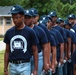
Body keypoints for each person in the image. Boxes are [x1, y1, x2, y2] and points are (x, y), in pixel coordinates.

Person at [4, 5, 38, 75]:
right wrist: (5, 69)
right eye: (13, 18)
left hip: (25, 65)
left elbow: (35, 51)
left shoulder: (30, 32)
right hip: (12, 65)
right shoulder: (9, 32)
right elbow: (7, 51)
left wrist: (35, 69)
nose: (15, 20)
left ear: (23, 17)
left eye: (17, 17)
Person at [24, 9, 50, 75]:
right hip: (25, 56)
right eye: (25, 18)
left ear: (32, 18)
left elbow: (45, 47)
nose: (27, 20)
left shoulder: (40, 30)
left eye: (29, 18)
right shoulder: (21, 30)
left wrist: (46, 62)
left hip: (38, 55)